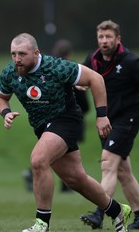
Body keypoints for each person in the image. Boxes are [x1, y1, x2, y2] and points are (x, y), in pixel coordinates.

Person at [0, 33, 131, 232]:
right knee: (76, 180)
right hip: (43, 127)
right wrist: (5, 112)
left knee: (38, 160)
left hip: (66, 121)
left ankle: (42, 224)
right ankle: (117, 211)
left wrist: (102, 116)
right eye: (13, 54)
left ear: (36, 53)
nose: (17, 59)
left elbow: (96, 78)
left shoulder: (57, 67)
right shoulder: (10, 72)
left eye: (22, 53)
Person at [80, 20, 139, 231]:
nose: (104, 41)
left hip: (126, 120)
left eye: (109, 37)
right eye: (101, 37)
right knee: (123, 172)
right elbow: (81, 80)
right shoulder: (93, 60)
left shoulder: (131, 62)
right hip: (104, 121)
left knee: (107, 164)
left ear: (118, 39)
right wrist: (79, 85)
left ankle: (99, 213)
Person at [22, 38, 89, 193]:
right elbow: (84, 104)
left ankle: (58, 182)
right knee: (51, 155)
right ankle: (61, 184)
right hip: (69, 119)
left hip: (44, 120)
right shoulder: (72, 71)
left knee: (55, 155)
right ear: (69, 53)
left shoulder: (44, 68)